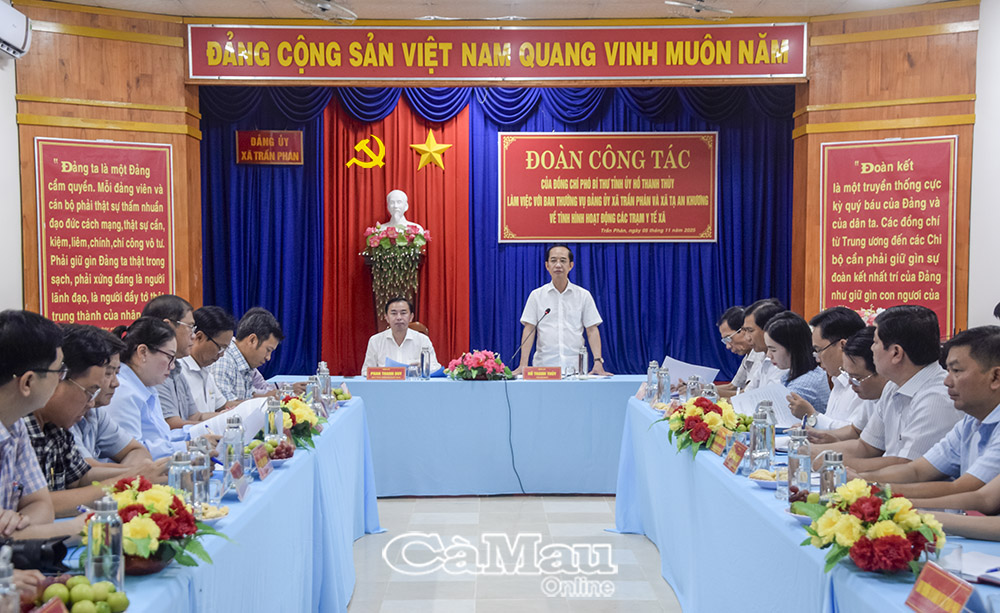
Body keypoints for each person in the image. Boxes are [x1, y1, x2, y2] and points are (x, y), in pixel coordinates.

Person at [25, 324, 166, 517]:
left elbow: (79, 477)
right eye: (90, 390)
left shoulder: (56, 425)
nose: (92, 403)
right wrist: (131, 478)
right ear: (58, 378)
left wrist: (141, 473)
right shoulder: (17, 427)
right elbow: (34, 504)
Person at [855, 326, 1000, 500]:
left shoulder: (936, 397)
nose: (947, 381)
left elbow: (964, 490)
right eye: (948, 371)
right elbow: (916, 470)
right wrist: (859, 480)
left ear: (995, 377)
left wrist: (869, 488)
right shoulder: (970, 421)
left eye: (956, 371)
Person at [812, 305, 959, 472]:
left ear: (896, 353)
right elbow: (866, 447)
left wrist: (825, 459)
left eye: (875, 342)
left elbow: (906, 466)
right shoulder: (892, 386)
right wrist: (809, 451)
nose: (871, 348)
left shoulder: (936, 397)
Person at [0, 310, 87, 543]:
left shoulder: (15, 425)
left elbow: (42, 505)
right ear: (28, 382)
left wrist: (15, 526)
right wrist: (75, 528)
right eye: (59, 371)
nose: (61, 378)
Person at [513, 245, 611, 376]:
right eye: (553, 260)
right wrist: (523, 364)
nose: (558, 265)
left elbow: (592, 330)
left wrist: (598, 362)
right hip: (544, 369)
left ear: (571, 265)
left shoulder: (583, 295)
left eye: (563, 260)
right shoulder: (536, 296)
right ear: (547, 266)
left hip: (575, 369)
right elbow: (529, 329)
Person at [104, 317, 187, 459]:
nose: (172, 366)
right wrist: (187, 446)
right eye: (169, 357)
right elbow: (132, 453)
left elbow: (163, 437)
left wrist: (198, 435)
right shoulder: (121, 390)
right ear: (143, 352)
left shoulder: (147, 387)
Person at [70, 329, 152, 467]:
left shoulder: (95, 411)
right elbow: (85, 471)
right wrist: (133, 472)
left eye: (117, 373)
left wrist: (126, 473)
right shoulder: (64, 416)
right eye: (107, 373)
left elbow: (138, 451)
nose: (115, 383)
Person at [807, 327, 888, 444]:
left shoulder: (887, 394)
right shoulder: (872, 396)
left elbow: (868, 449)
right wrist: (817, 435)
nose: (850, 383)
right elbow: (855, 431)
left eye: (857, 378)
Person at [788, 307, 867, 429]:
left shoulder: (864, 383)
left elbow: (855, 432)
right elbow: (833, 427)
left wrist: (811, 415)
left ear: (842, 346)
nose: (817, 359)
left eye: (819, 350)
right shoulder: (838, 380)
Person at [142, 295, 201, 430]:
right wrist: (215, 427)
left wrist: (224, 418)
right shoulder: (154, 372)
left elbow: (195, 416)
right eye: (190, 327)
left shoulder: (176, 369)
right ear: (168, 326)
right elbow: (171, 425)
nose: (193, 336)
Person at [173, 306, 238, 425]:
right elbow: (176, 423)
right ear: (199, 337)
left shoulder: (205, 369)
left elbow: (222, 406)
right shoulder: (177, 371)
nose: (222, 354)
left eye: (225, 349)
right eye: (220, 347)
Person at [210, 307, 285, 401]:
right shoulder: (223, 362)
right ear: (252, 340)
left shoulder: (244, 363)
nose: (268, 358)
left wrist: (271, 396)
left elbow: (248, 397)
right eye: (268, 350)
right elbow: (226, 406)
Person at [763, 312, 831, 414]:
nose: (769, 355)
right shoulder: (798, 373)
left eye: (773, 350)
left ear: (793, 348)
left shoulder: (805, 383)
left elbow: (778, 414)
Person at [361, 298, 440, 376]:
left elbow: (436, 368)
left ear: (411, 317)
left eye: (403, 313)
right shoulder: (375, 341)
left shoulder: (423, 340)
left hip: (413, 383)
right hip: (386, 383)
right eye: (394, 313)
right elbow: (365, 372)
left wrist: (422, 367)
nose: (399, 317)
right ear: (387, 317)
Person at [740, 299, 787, 390]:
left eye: (750, 331)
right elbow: (747, 392)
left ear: (769, 328)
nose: (747, 338)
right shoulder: (763, 357)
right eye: (745, 331)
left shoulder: (784, 362)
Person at [715, 306, 753, 398]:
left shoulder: (761, 354)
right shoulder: (748, 355)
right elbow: (733, 386)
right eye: (725, 341)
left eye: (728, 338)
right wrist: (703, 388)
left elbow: (748, 395)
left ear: (744, 330)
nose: (728, 346)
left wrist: (706, 391)